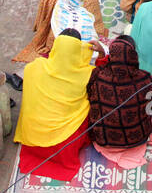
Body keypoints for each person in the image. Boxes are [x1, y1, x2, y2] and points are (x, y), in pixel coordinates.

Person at [14, 30, 96, 182]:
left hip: (34, 137)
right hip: (64, 143)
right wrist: (101, 52)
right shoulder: (87, 74)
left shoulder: (33, 67)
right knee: (88, 105)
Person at [86, 35, 152, 168]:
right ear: (133, 56)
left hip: (103, 139)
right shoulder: (146, 78)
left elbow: (89, 97)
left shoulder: (98, 75)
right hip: (138, 138)